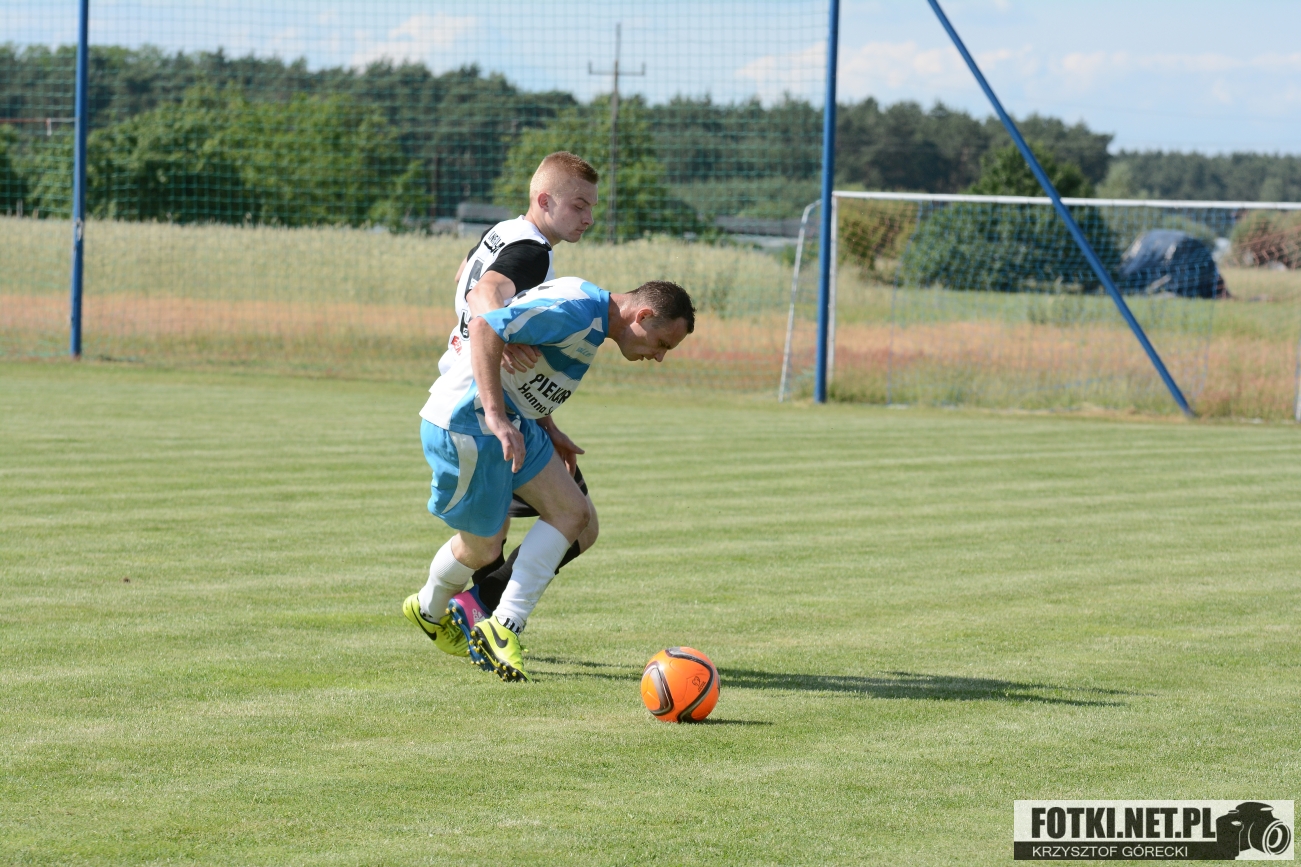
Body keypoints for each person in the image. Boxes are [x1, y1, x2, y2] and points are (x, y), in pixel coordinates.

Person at [404, 278, 696, 682]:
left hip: (515, 422)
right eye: (662, 344)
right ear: (643, 316)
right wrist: (495, 416)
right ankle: (429, 608)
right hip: (468, 422)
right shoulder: (577, 311)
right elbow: (485, 326)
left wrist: (549, 427)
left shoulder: (592, 317)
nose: (659, 357)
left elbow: (531, 371)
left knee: (574, 513)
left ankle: (502, 624)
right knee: (482, 549)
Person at [440, 152, 601, 621]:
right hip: (486, 402)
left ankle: (468, 613)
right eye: (578, 206)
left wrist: (547, 423)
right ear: (544, 200)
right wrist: (498, 332)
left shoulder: (504, 231)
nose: (588, 218)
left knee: (493, 536)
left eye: (592, 207)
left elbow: (463, 275)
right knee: (578, 524)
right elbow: (483, 292)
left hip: (474, 390)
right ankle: (474, 612)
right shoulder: (533, 252)